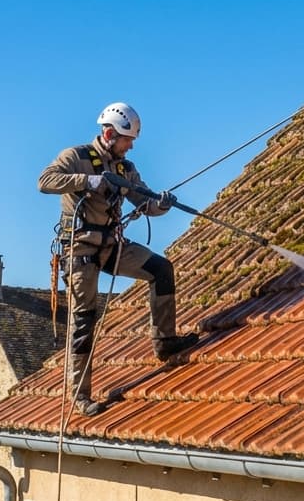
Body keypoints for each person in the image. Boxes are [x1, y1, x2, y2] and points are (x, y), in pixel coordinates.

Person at [38, 101, 198, 415]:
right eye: (127, 140)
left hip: (112, 246)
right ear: (110, 134)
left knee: (160, 269)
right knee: (84, 319)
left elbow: (145, 202)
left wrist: (162, 203)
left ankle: (165, 342)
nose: (131, 146)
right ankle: (80, 396)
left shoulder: (126, 169)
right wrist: (86, 181)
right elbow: (45, 181)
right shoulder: (76, 157)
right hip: (80, 249)